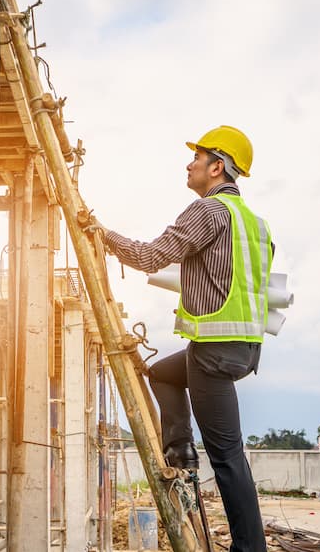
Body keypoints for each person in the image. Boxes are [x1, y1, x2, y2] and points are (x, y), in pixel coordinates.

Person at [87, 125, 272, 552]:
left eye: (196, 157)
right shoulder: (253, 223)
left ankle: (250, 549)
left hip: (212, 354)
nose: (188, 164)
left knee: (228, 459)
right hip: (244, 349)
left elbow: (150, 256)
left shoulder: (208, 212)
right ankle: (180, 450)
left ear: (217, 166)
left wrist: (103, 234)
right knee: (162, 374)